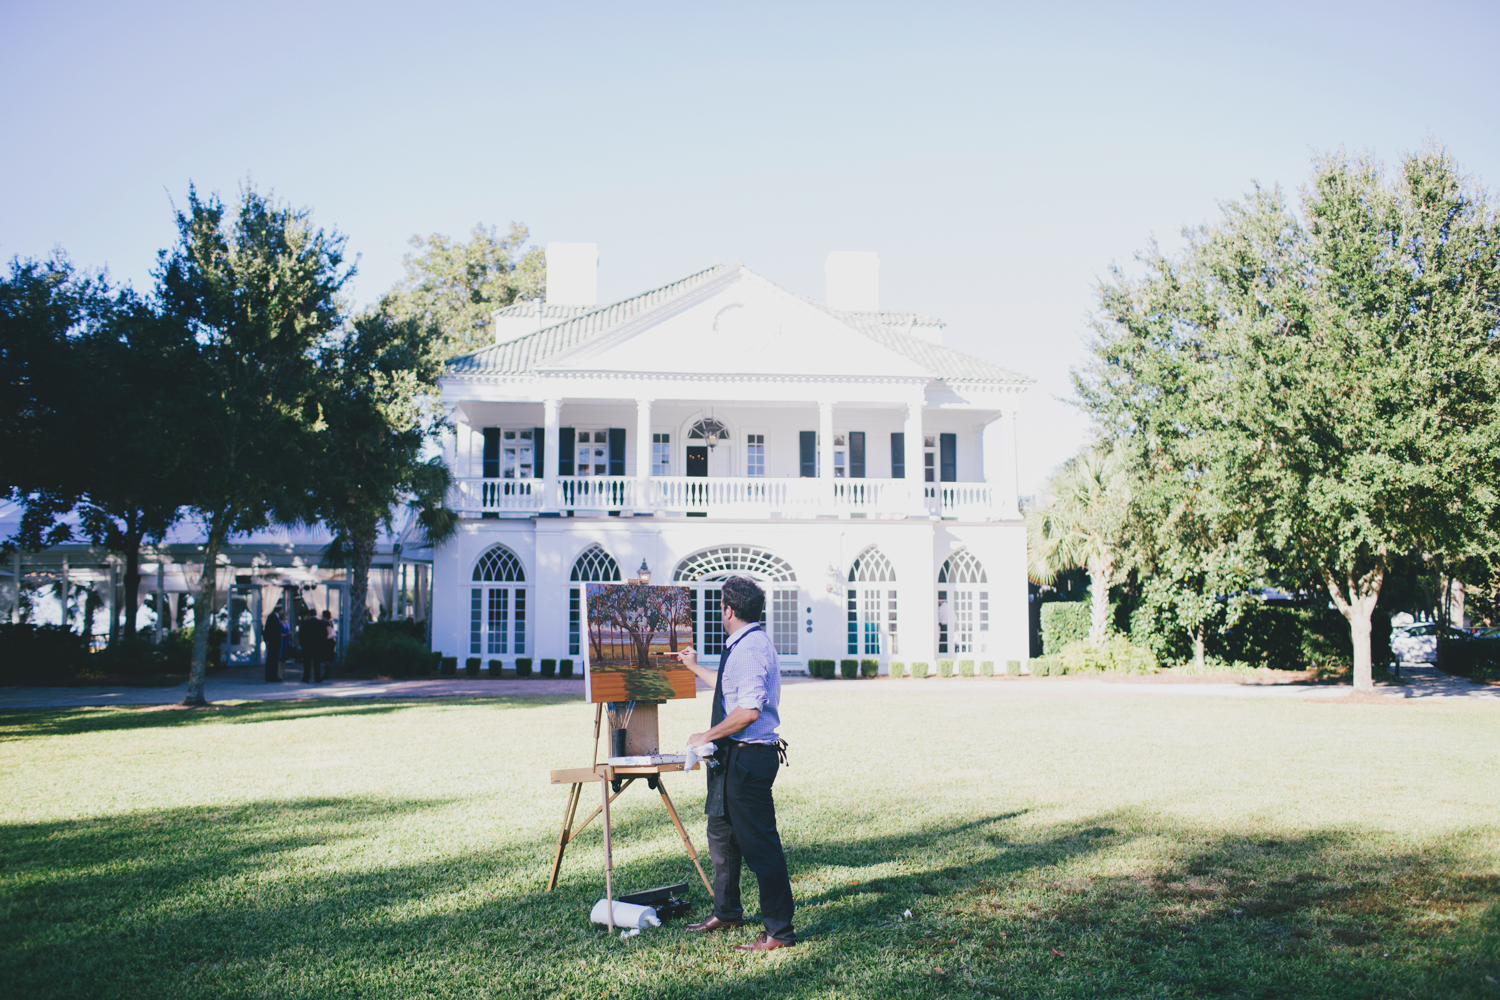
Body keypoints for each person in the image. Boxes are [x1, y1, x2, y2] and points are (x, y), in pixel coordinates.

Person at [673, 575, 795, 952]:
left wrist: (704, 736)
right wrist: (694, 667)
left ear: (728, 609)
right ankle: (727, 911)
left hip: (748, 759)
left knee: (760, 848)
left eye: (720, 605)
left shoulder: (749, 649)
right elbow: (732, 691)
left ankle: (779, 931)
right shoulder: (744, 644)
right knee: (722, 839)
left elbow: (747, 710)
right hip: (731, 758)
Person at [298, 610, 325, 683]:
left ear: (309, 614)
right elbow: (324, 635)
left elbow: (301, 635)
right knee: (317, 663)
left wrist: (302, 644)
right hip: (317, 645)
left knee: (307, 662)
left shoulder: (305, 623)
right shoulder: (321, 623)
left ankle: (306, 677)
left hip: (307, 646)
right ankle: (317, 677)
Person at [263, 606, 285, 682]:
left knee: (273, 659)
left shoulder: (273, 618)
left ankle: (272, 675)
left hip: (274, 641)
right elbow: (268, 630)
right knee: (273, 659)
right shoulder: (273, 618)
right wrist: (267, 640)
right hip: (274, 641)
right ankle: (272, 676)